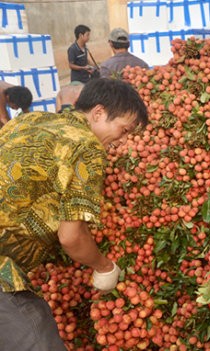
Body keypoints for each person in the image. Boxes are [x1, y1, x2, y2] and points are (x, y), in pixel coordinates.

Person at [0, 78, 148, 350]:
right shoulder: (86, 146)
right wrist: (104, 266)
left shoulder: (29, 121)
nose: (123, 141)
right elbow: (71, 237)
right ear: (99, 113)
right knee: (37, 339)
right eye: (123, 130)